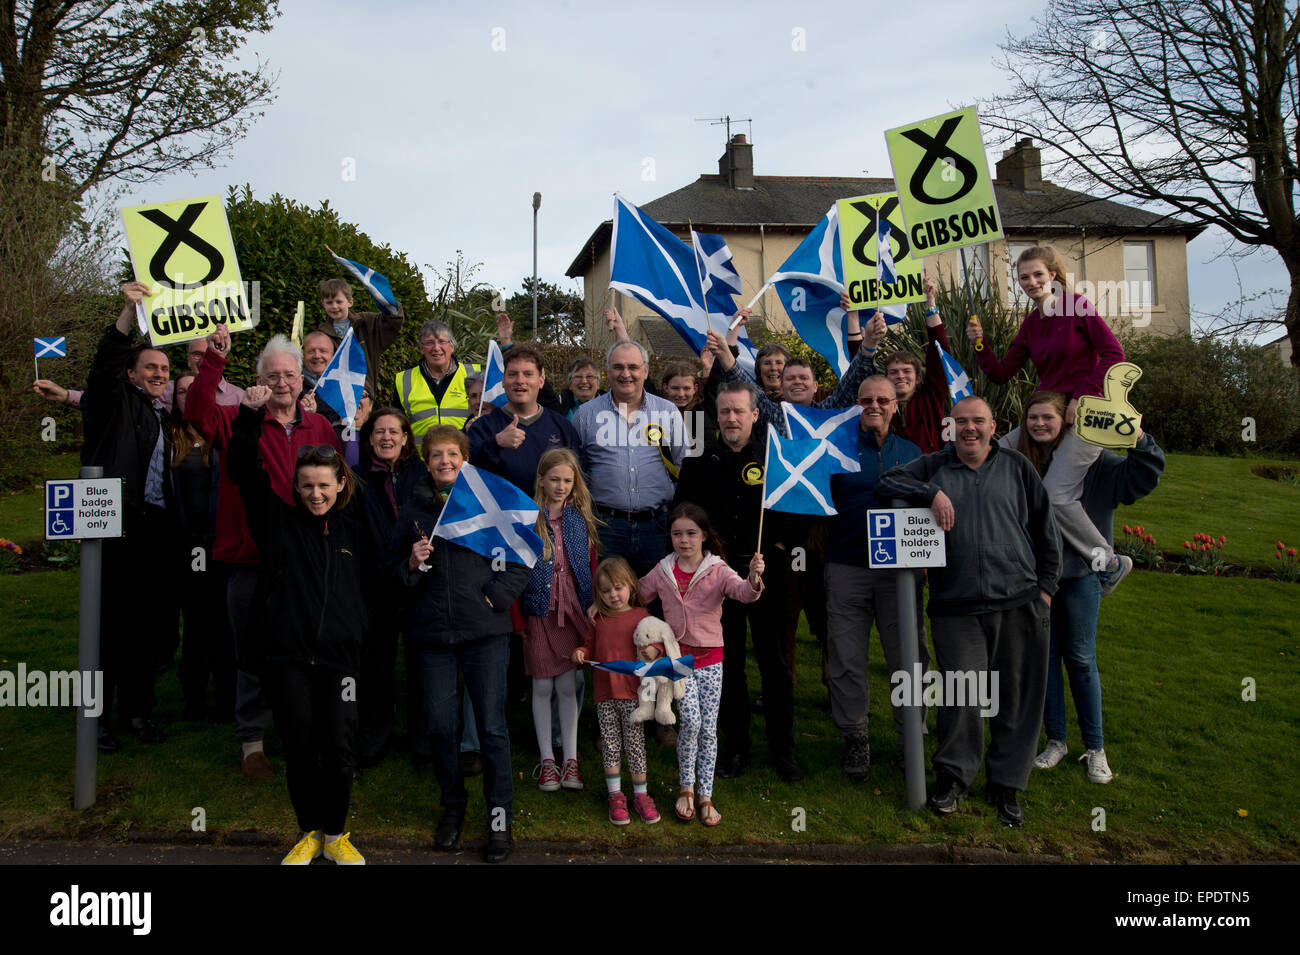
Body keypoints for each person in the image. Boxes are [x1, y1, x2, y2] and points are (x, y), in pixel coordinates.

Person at [877, 395, 1062, 827]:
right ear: (950, 427)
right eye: (961, 422)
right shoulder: (934, 465)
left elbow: (1045, 529)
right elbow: (886, 484)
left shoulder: (1018, 468)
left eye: (978, 421)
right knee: (963, 693)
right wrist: (931, 491)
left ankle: (1006, 784)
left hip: (1019, 601)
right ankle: (954, 777)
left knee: (1014, 698)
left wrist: (1046, 590)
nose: (970, 429)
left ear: (993, 426)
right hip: (955, 606)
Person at [185, 324, 342, 779]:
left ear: (301, 380)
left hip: (307, 562)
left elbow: (337, 487)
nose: (281, 383)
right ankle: (251, 742)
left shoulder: (319, 426)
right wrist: (216, 358)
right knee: (251, 652)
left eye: (289, 375)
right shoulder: (238, 419)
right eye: (272, 375)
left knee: (306, 651)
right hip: (251, 560)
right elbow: (196, 411)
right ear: (259, 380)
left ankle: (305, 737)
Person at [226, 387, 371, 865]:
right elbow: (243, 472)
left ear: (339, 485)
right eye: (307, 485)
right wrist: (249, 415)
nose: (315, 494)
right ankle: (309, 831)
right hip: (288, 659)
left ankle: (337, 834)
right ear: (296, 486)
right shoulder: (278, 523)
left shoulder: (354, 527)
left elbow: (381, 580)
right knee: (302, 746)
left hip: (340, 661)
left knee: (340, 748)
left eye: (324, 485)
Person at [1010, 392, 1165, 784]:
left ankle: (1095, 748)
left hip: (1080, 575)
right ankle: (1056, 741)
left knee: (1080, 658)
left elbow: (1139, 478)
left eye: (1048, 417)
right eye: (1032, 417)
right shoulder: (1020, 460)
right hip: (1036, 577)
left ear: (1067, 421)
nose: (1040, 424)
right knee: (1045, 660)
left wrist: (1140, 438)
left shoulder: (1094, 461)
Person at [393, 425, 530, 863]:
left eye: (453, 454)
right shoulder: (412, 506)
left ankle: (498, 819)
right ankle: (452, 808)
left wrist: (495, 597)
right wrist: (410, 565)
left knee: (491, 728)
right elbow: (391, 573)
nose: (445, 462)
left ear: (465, 458)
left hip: (484, 632)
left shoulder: (484, 497)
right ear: (426, 460)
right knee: (440, 726)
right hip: (432, 635)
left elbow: (523, 553)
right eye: (436, 456)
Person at [969, 245, 1131, 593]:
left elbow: (1113, 354)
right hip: (1047, 413)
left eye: (1037, 275)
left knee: (1057, 496)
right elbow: (1001, 373)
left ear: (1053, 276)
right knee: (993, 454)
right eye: (1023, 277)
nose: (1030, 282)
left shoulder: (1077, 308)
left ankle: (1111, 562)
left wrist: (1080, 397)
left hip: (1087, 416)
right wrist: (980, 345)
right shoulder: (1032, 323)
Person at [674, 380, 800, 781]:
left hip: (765, 576)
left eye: (738, 412)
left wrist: (779, 546)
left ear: (754, 415)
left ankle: (784, 750)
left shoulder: (774, 461)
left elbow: (795, 511)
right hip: (716, 581)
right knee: (726, 667)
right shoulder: (698, 463)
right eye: (724, 411)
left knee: (774, 664)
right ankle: (735, 746)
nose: (731, 418)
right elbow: (683, 518)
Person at [80, 281, 178, 751]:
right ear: (133, 374)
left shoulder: (160, 415)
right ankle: (94, 721)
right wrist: (128, 311)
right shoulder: (111, 402)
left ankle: (137, 713)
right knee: (105, 628)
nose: (159, 373)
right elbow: (103, 366)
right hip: (112, 527)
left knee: (144, 626)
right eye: (150, 367)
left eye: (164, 367)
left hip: (152, 531)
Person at [824, 375, 926, 781]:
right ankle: (856, 738)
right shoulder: (837, 449)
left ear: (895, 404)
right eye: (866, 399)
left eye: (883, 399)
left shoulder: (913, 452)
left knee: (910, 659)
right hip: (847, 567)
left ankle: (910, 739)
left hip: (898, 574)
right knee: (848, 660)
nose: (874, 405)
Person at [637, 503, 765, 827]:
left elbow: (743, 593)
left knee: (708, 727)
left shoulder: (718, 569)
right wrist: (603, 598)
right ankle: (686, 787)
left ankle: (705, 794)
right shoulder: (664, 569)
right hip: (679, 659)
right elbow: (638, 592)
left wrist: (753, 578)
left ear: (704, 536)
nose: (684, 540)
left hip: (712, 660)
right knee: (691, 722)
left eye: (691, 533)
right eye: (677, 534)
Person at [572, 339, 685, 578]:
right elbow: (575, 473)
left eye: (633, 367)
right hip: (605, 528)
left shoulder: (668, 412)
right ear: (608, 371)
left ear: (645, 371)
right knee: (608, 603)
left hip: (658, 527)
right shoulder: (586, 415)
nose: (626, 374)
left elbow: (684, 466)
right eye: (618, 367)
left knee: (657, 606)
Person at [521, 449, 599, 793]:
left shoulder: (579, 518)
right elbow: (515, 569)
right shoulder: (527, 518)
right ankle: (547, 761)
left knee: (568, 686)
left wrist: (595, 603)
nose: (561, 486)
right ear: (541, 480)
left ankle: (570, 759)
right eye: (554, 479)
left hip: (572, 611)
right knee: (541, 686)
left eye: (568, 481)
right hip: (539, 610)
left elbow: (591, 563)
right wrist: (517, 619)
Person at [355, 407, 424, 766]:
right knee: (375, 666)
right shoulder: (356, 477)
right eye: (379, 432)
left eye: (394, 432)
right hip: (375, 586)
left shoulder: (422, 474)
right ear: (369, 439)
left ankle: (421, 737)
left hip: (415, 583)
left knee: (420, 665)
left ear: (405, 438)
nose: (386, 438)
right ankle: (374, 736)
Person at [572, 557, 663, 825]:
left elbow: (659, 644)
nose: (613, 594)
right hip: (605, 695)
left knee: (635, 745)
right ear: (598, 594)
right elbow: (588, 647)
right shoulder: (597, 620)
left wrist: (653, 651)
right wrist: (580, 653)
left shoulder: (642, 616)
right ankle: (615, 796)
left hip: (634, 696)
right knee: (610, 745)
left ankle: (641, 795)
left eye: (618, 588)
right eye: (606, 590)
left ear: (631, 588)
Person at [168, 372, 233, 722]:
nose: (188, 396)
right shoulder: (170, 438)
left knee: (224, 620)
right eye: (182, 391)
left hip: (219, 541)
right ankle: (192, 697)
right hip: (190, 544)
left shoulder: (221, 435)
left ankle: (226, 696)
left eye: (194, 391)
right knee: (195, 621)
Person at [467, 344, 581, 494]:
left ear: (541, 381)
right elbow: (470, 477)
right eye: (513, 374)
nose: (520, 380)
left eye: (528, 374)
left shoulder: (562, 426)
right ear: (503, 381)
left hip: (552, 516)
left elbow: (579, 478)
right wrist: (496, 444)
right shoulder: (482, 427)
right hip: (503, 516)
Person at [40, 335, 244, 412]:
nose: (203, 360)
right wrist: (66, 395)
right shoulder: (164, 389)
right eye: (197, 354)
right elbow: (109, 401)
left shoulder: (238, 397)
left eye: (209, 355)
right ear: (188, 358)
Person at [874, 272, 954, 454]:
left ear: (918, 378)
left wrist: (930, 303)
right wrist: (854, 315)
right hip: (893, 477)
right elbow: (859, 368)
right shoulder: (877, 405)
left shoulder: (930, 399)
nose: (900, 376)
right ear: (885, 378)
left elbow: (939, 353)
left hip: (929, 477)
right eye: (893, 372)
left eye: (906, 371)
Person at [315, 277, 404, 402]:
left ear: (350, 302)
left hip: (364, 395)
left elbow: (393, 321)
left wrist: (387, 301)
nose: (334, 306)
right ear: (323, 304)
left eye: (339, 302)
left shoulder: (366, 322)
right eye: (329, 303)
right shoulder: (321, 334)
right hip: (335, 399)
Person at [394, 320, 478, 435]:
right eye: (429, 343)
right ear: (421, 349)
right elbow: (396, 427)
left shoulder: (474, 375)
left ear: (452, 346)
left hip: (464, 452)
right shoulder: (404, 380)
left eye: (442, 342)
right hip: (420, 453)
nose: (436, 348)